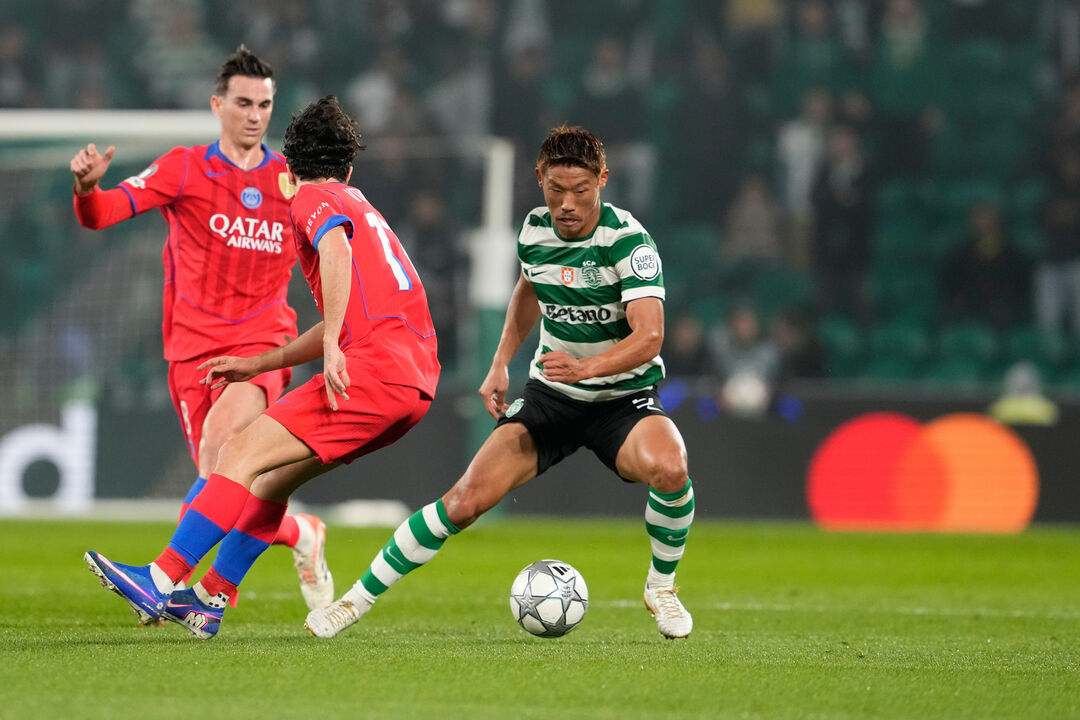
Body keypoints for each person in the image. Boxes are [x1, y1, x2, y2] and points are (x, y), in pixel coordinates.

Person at [305, 125, 696, 641]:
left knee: (670, 468)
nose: (567, 204)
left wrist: (586, 368)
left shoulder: (628, 242)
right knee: (462, 502)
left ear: (603, 180)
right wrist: (500, 361)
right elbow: (529, 291)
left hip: (622, 399)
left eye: (581, 191)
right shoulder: (534, 231)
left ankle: (661, 587)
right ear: (539, 179)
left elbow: (650, 337)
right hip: (552, 398)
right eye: (556, 190)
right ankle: (352, 602)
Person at [84, 95, 439, 639]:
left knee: (236, 453)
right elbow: (344, 315)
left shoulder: (312, 197)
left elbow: (335, 255)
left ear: (288, 169)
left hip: (369, 371)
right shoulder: (361, 205)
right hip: (413, 384)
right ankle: (210, 598)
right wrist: (260, 364)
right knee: (270, 479)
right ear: (348, 166)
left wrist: (333, 347)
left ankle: (160, 579)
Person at [72, 47, 335, 619]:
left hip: (262, 343)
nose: (254, 115)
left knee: (224, 442)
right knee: (221, 482)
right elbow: (103, 214)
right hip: (190, 351)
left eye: (264, 105)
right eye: (243, 103)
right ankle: (300, 533)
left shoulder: (290, 181)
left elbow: (334, 246)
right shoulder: (184, 167)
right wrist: (88, 190)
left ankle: (163, 582)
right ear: (217, 105)